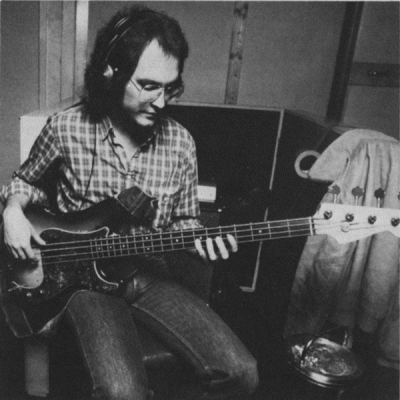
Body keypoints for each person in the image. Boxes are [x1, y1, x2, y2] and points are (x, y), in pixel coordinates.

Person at [0, 5, 258, 400]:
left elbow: (184, 220)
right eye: (149, 85)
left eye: (170, 88)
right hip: (84, 282)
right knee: (123, 392)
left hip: (148, 272)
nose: (161, 101)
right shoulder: (67, 128)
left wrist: (199, 239)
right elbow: (25, 181)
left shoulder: (181, 144)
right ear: (111, 73)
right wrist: (13, 211)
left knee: (243, 373)